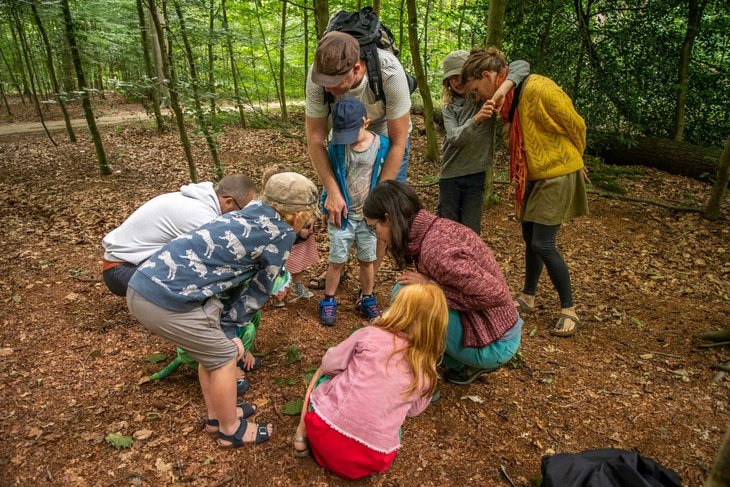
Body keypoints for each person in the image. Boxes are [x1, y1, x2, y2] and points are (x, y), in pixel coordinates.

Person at [126, 172, 319, 448]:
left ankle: (218, 416)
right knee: (224, 356)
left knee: (212, 354)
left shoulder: (250, 212)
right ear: (299, 214)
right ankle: (231, 430)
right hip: (164, 298)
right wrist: (230, 326)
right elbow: (261, 288)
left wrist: (225, 324)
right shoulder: (280, 233)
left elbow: (235, 274)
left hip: (144, 282)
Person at [461, 47, 588, 338]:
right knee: (529, 237)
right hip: (532, 174)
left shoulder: (540, 89)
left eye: (477, 89)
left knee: (543, 242)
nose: (478, 96)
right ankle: (528, 295)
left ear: (489, 76)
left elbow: (576, 125)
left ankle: (569, 310)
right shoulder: (509, 101)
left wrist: (577, 158)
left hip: (557, 172)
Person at [363, 181, 524, 385]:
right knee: (408, 292)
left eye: (373, 227)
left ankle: (421, 384)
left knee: (409, 299)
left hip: (495, 343)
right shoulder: (431, 230)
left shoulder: (436, 250)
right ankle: (460, 365)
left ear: (387, 219)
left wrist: (431, 286)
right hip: (497, 331)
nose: (376, 234)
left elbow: (495, 294)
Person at [292, 282, 448, 479]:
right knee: (395, 426)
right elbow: (414, 411)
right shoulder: (427, 367)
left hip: (324, 435)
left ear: (397, 308)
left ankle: (301, 432)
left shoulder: (370, 335)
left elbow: (330, 365)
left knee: (322, 375)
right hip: (373, 457)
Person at [305, 31, 411, 283]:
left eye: (334, 82)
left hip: (387, 136)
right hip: (342, 135)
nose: (327, 88)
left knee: (380, 213)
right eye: (324, 82)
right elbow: (316, 139)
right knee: (339, 202)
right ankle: (337, 268)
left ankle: (368, 279)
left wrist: (379, 195)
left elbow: (398, 142)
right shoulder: (318, 77)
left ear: (356, 68)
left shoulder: (389, 73)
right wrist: (332, 191)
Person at [102, 174, 255, 297]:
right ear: (228, 202)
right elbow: (227, 255)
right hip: (121, 272)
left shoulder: (199, 200)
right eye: (242, 210)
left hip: (127, 263)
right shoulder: (199, 214)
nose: (241, 216)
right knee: (203, 268)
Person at [439, 50, 529, 234]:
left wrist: (502, 90)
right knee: (447, 230)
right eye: (451, 78)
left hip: (476, 173)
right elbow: (454, 137)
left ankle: (470, 263)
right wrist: (477, 119)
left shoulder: (482, 95)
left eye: (459, 76)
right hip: (450, 175)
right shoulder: (448, 108)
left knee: (471, 231)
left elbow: (522, 65)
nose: (456, 82)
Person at [318, 97, 390, 326]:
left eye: (352, 133)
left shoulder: (382, 145)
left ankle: (367, 297)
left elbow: (388, 178)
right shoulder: (337, 146)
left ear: (365, 122)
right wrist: (325, 204)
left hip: (368, 218)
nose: (348, 140)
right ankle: (329, 300)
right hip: (343, 217)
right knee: (337, 259)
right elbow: (328, 178)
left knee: (367, 259)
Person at [261, 165, 318, 305]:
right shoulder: (270, 208)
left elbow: (312, 211)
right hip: (288, 244)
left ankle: (297, 286)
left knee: (299, 266)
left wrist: (310, 222)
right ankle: (276, 293)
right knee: (280, 269)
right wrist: (299, 231)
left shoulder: (300, 198)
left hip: (300, 243)